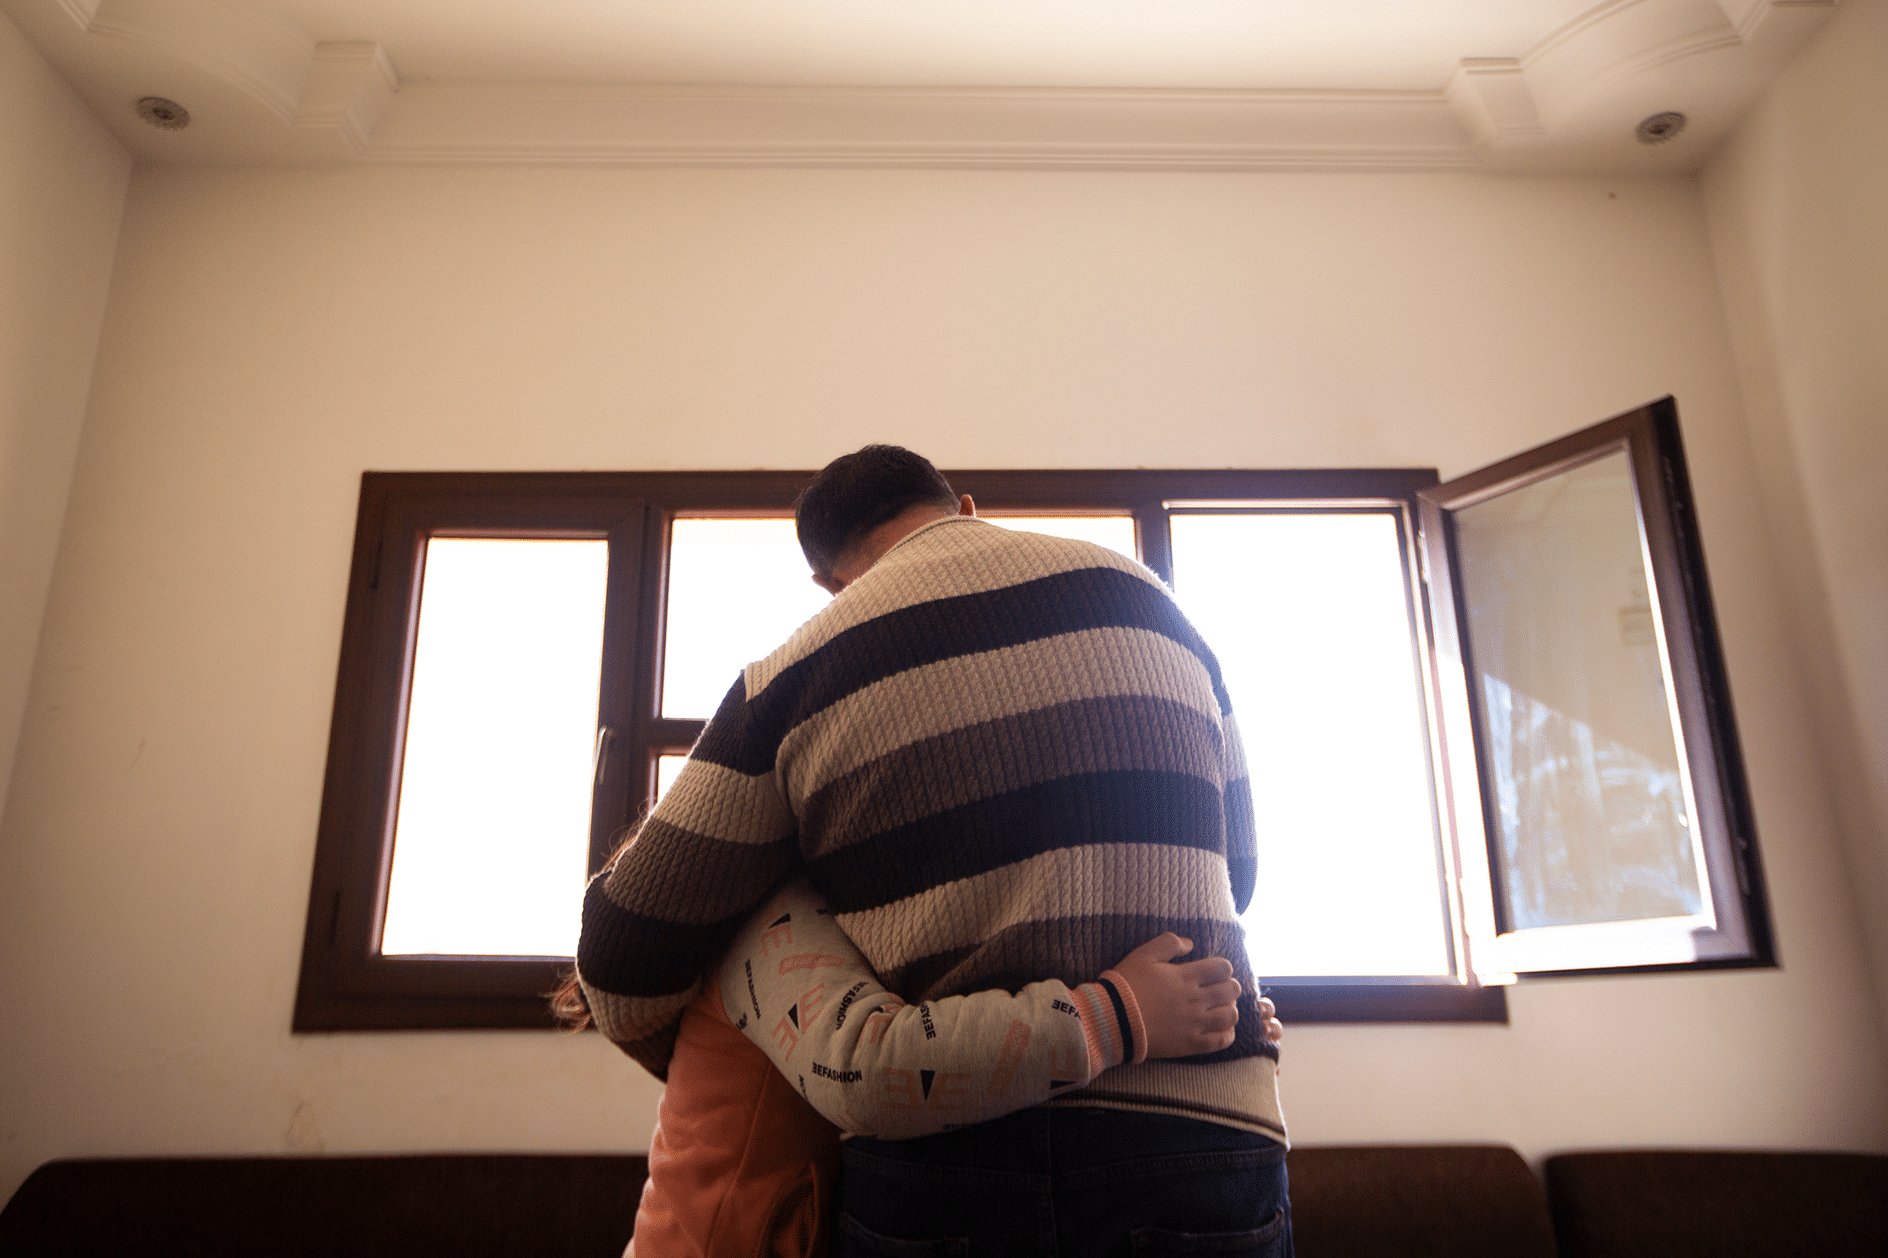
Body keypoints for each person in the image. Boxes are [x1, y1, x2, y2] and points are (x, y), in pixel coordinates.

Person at [575, 445, 1288, 1256]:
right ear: (966, 509)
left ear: (828, 583)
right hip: (1203, 1136)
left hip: (948, 1164)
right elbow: (1242, 872)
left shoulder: (797, 672)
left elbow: (616, 958)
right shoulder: (1154, 604)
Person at [599, 876, 1271, 1257]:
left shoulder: (845, 914)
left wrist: (1216, 1015)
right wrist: (1120, 1015)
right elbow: (874, 1064)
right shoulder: (770, 923)